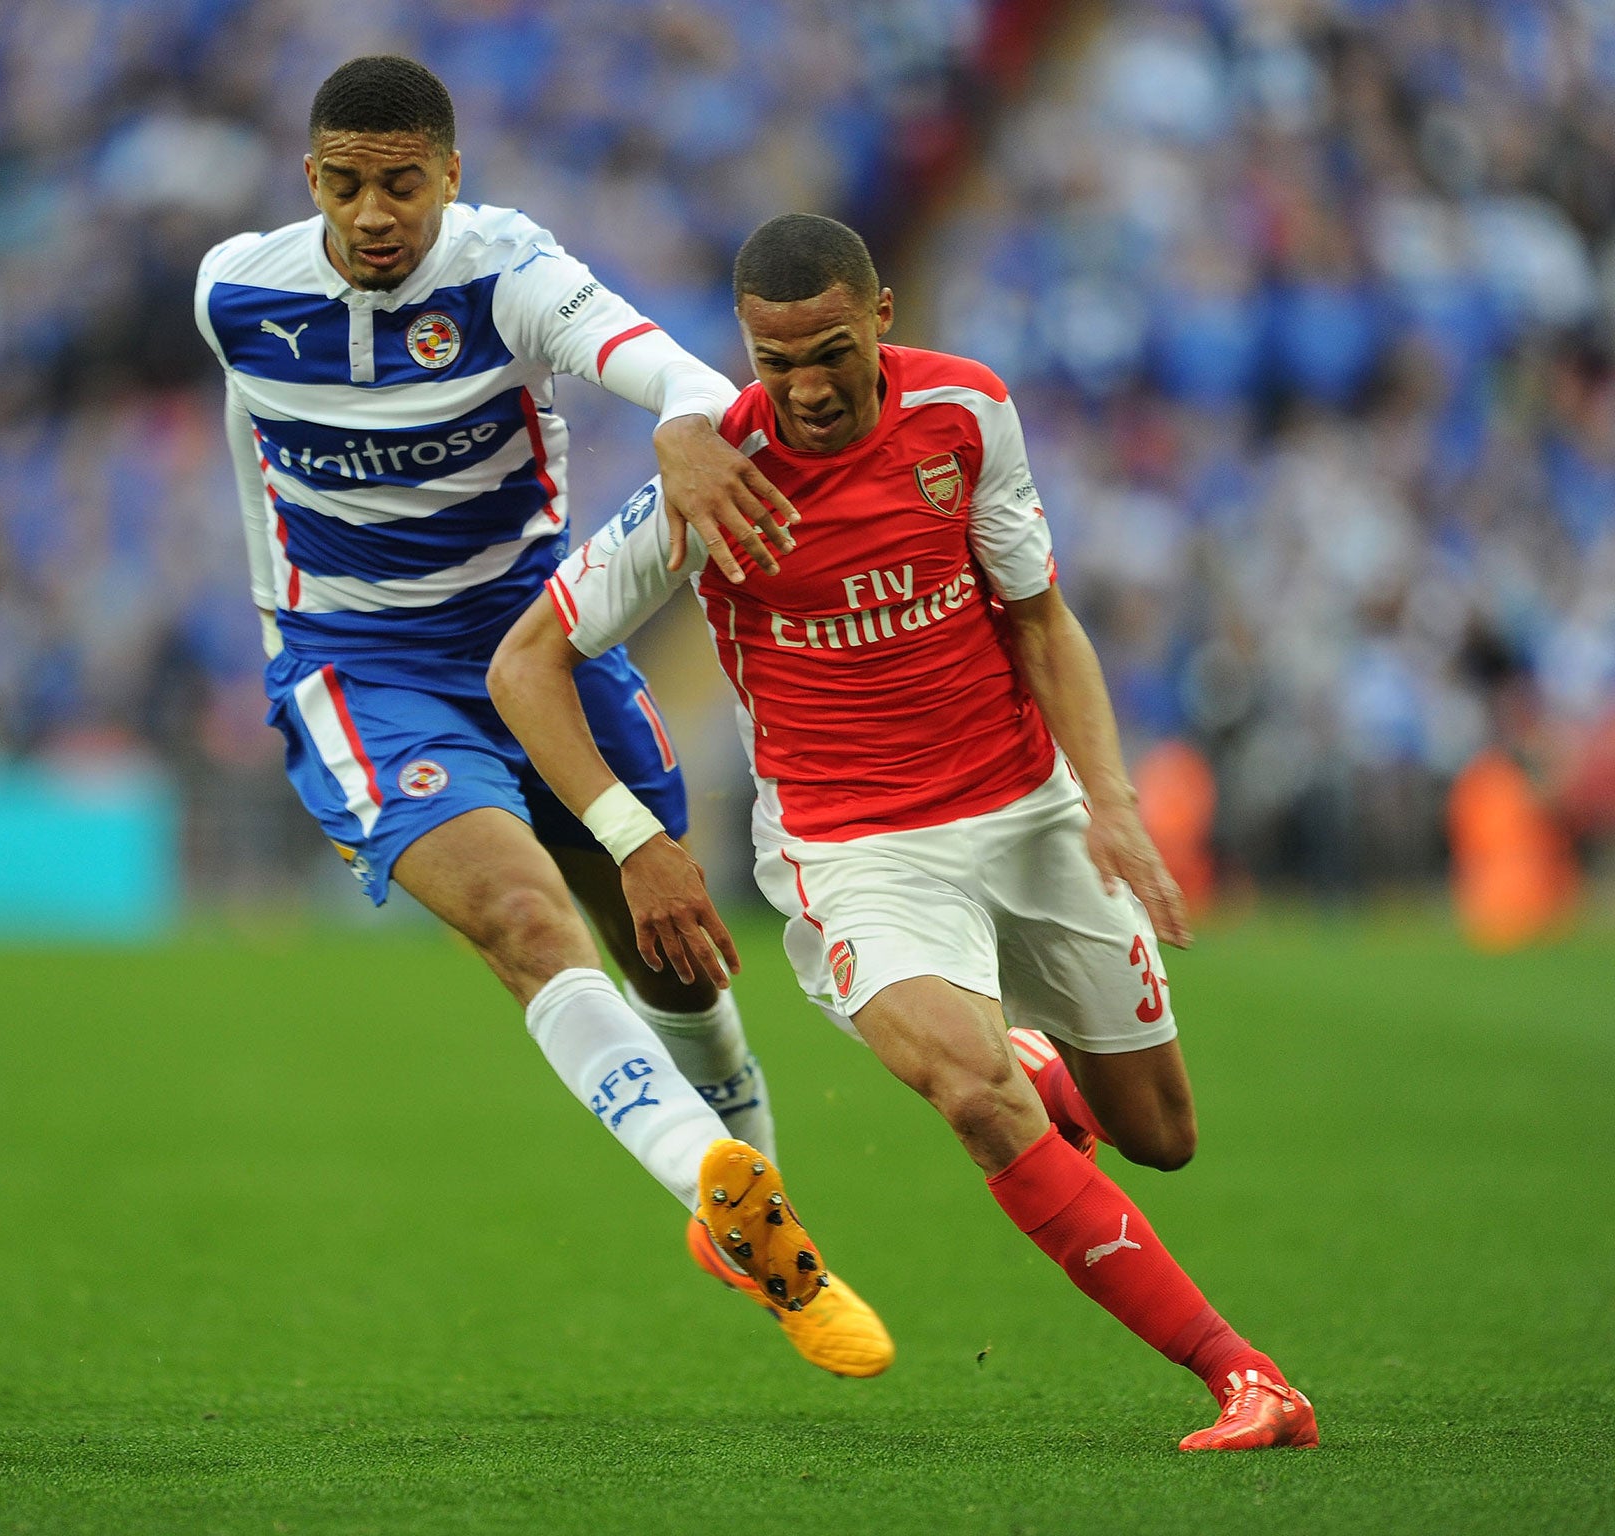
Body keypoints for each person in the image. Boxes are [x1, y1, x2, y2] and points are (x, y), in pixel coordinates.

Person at [488, 212, 1318, 1450]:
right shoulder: (709, 478)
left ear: (880, 316)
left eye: (829, 350)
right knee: (974, 1096)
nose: (806, 388)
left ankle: (1038, 1059)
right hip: (853, 852)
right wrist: (628, 837)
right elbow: (526, 663)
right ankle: (1243, 1375)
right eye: (776, 363)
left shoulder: (965, 417)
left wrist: (1108, 801)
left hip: (1025, 811)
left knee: (1157, 1137)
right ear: (745, 352)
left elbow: (1038, 619)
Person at [193, 59, 892, 1375]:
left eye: (403, 183)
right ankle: (725, 1195)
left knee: (675, 949)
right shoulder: (237, 290)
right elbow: (249, 456)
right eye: (346, 185)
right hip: (361, 674)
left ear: (452, 177)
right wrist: (282, 624)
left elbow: (673, 374)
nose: (375, 213)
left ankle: (755, 1201)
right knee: (525, 916)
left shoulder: (509, 270)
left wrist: (690, 428)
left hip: (535, 650)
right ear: (311, 182)